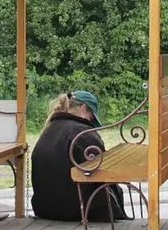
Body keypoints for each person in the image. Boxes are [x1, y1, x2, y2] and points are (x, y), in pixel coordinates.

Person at [29, 90, 129, 222]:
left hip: (45, 209)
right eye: (91, 116)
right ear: (83, 109)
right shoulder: (83, 134)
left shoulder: (49, 130)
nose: (91, 121)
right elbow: (103, 173)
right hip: (76, 211)